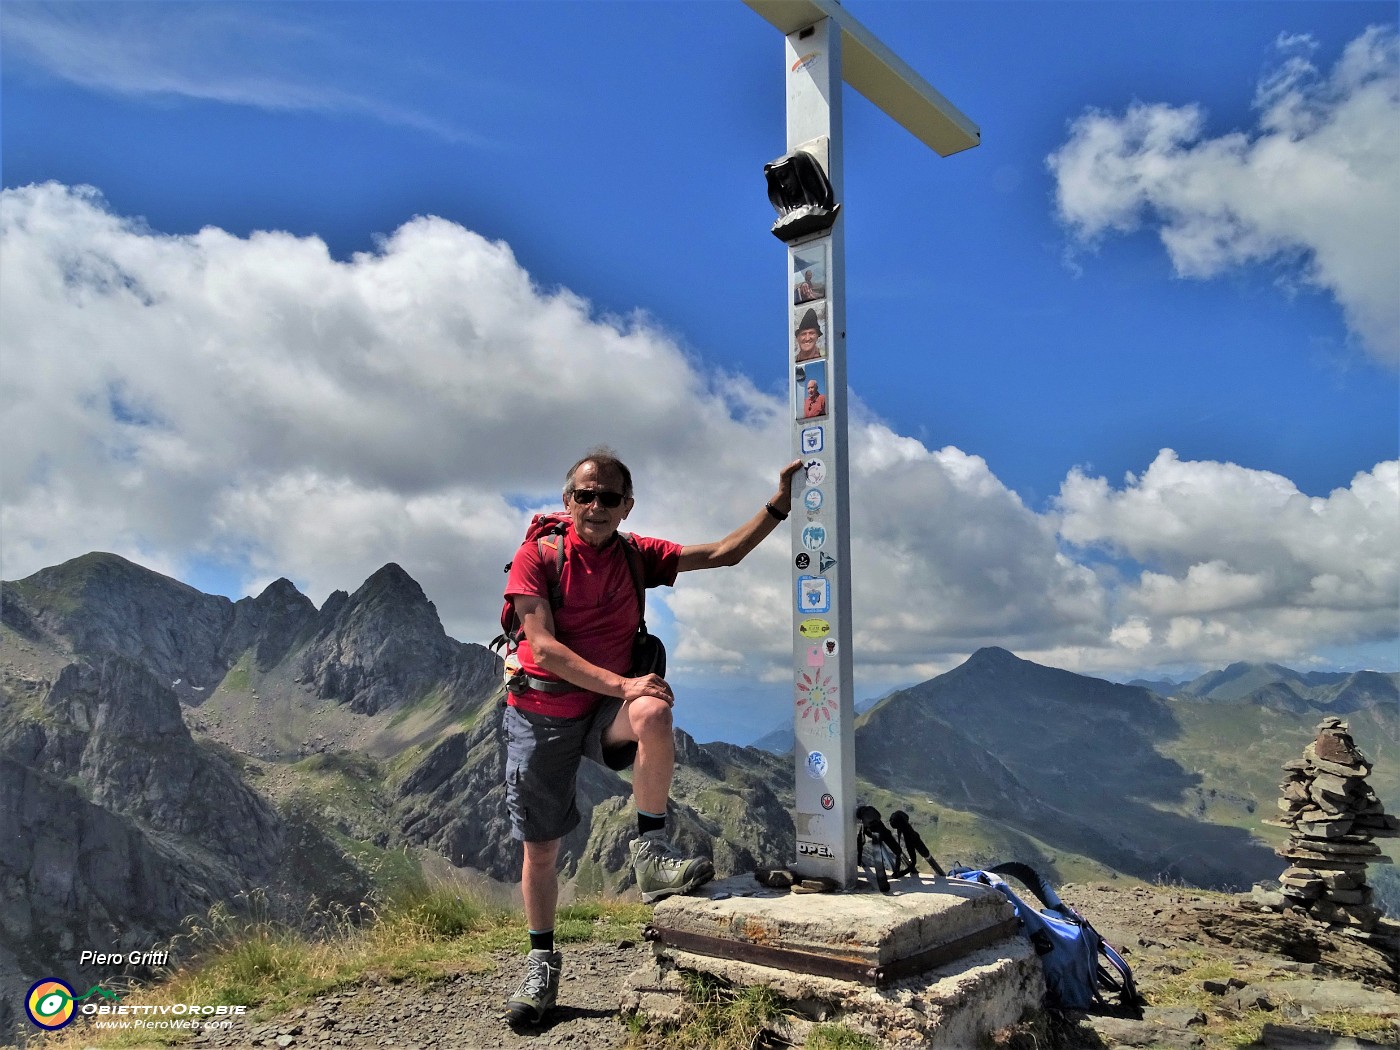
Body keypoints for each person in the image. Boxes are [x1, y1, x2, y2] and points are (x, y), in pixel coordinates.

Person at [502, 448, 802, 1026]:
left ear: (626, 505)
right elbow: (541, 648)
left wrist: (777, 507)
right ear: (568, 502)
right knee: (540, 849)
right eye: (584, 496)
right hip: (541, 710)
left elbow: (721, 554)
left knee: (653, 711)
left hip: (605, 706)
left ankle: (650, 853)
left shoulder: (635, 554)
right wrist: (623, 680)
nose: (594, 507)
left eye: (607, 497)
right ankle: (541, 961)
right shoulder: (535, 557)